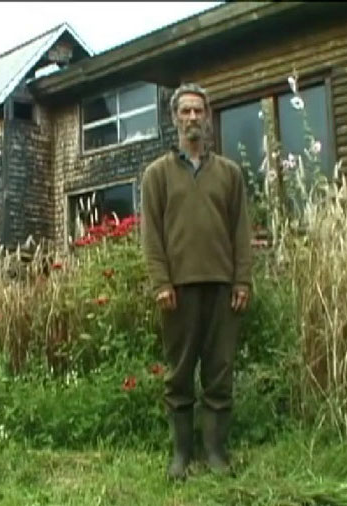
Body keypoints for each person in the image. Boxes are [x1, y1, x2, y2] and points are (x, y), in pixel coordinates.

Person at [140, 82, 253, 480]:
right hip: (177, 291)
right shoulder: (157, 175)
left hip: (223, 287)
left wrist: (242, 281)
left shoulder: (229, 174)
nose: (192, 117)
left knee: (220, 372)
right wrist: (161, 282)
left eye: (198, 111)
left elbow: (241, 231)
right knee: (180, 374)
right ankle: (181, 456)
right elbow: (151, 235)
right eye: (185, 111)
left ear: (207, 118)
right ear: (174, 118)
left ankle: (216, 454)